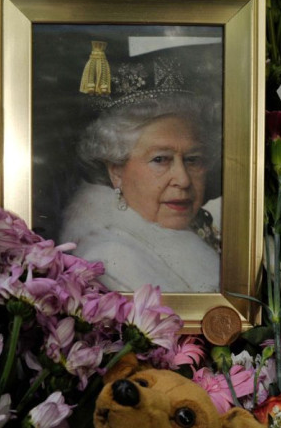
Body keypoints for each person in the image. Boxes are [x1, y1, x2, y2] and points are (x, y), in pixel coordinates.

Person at [59, 92, 222, 292]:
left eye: (193, 159)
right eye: (160, 159)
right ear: (116, 171)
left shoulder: (201, 233)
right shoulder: (110, 260)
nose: (183, 180)